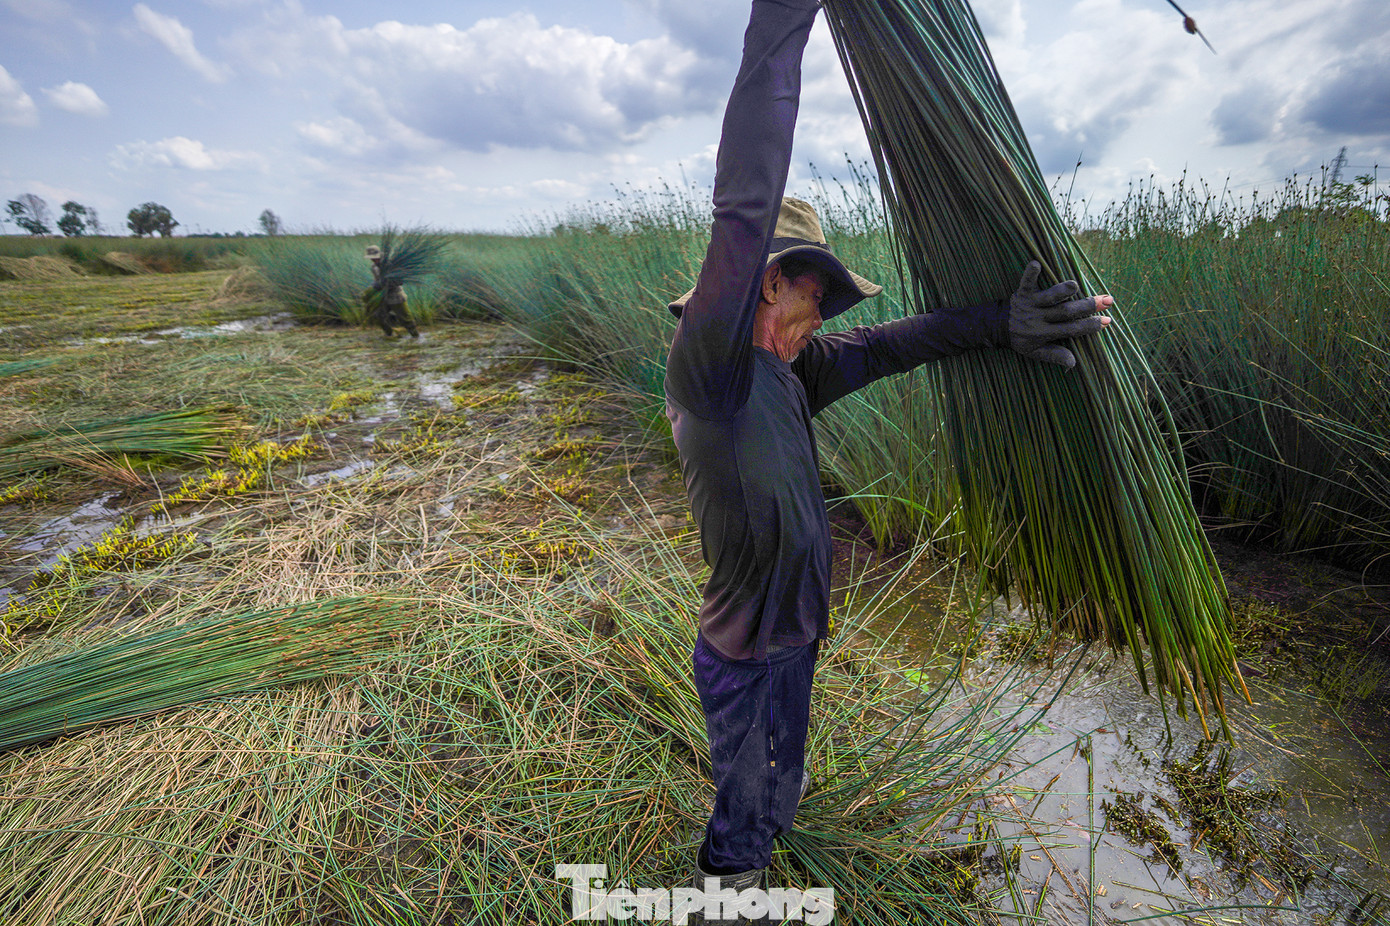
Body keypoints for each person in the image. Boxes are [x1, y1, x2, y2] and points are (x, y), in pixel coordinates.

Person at [663, 1, 1112, 921]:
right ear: (769, 282)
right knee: (744, 806)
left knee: (783, 778)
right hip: (746, 649)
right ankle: (727, 892)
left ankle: (767, 836)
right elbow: (743, 207)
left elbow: (891, 344)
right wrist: (782, 20)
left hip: (796, 635)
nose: (821, 318)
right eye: (815, 297)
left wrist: (1000, 323)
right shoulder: (712, 373)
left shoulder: (793, 370)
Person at [364, 244, 419, 338]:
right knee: (379, 315)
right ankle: (389, 334)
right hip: (382, 296)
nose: (373, 259)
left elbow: (400, 281)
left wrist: (386, 283)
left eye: (375, 257)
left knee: (405, 318)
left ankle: (415, 336)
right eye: (372, 258)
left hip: (396, 296)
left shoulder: (391, 265)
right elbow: (376, 280)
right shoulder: (374, 267)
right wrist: (375, 285)